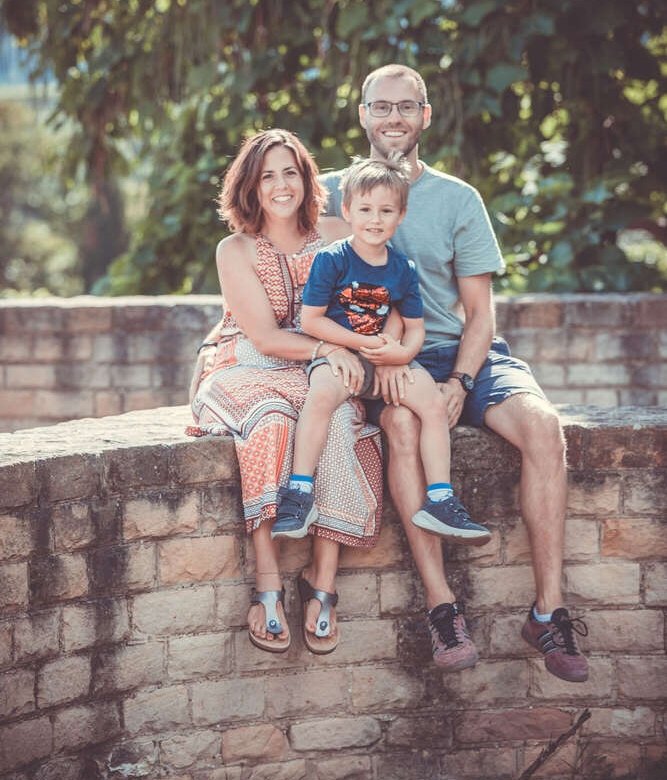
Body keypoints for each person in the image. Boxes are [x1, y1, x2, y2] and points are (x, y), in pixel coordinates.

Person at [321, 64, 589, 682]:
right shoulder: (333, 191)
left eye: (406, 107)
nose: (393, 118)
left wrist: (460, 383)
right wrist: (385, 358)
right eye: (381, 106)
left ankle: (548, 611)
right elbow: (311, 283)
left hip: (466, 358)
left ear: (425, 116)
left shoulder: (459, 198)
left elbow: (480, 316)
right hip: (386, 358)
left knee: (545, 427)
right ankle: (443, 609)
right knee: (404, 431)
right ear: (362, 113)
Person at [189, 129, 384, 656]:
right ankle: (267, 585)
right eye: (267, 175)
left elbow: (374, 299)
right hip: (246, 364)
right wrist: (326, 352)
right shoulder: (236, 249)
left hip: (322, 364)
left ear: (306, 178)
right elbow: (265, 337)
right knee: (273, 419)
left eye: (290, 172)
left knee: (341, 422)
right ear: (250, 186)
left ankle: (322, 585)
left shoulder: (342, 233)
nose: (281, 185)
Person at [271, 154, 490, 555]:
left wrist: (401, 355)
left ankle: (440, 498)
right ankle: (299, 493)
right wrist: (358, 346)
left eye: (386, 211)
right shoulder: (332, 258)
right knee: (319, 397)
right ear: (348, 210)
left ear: (400, 216)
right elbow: (312, 320)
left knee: (434, 405)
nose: (375, 219)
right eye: (366, 209)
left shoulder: (403, 268)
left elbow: (416, 326)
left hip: (387, 359)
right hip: (344, 358)